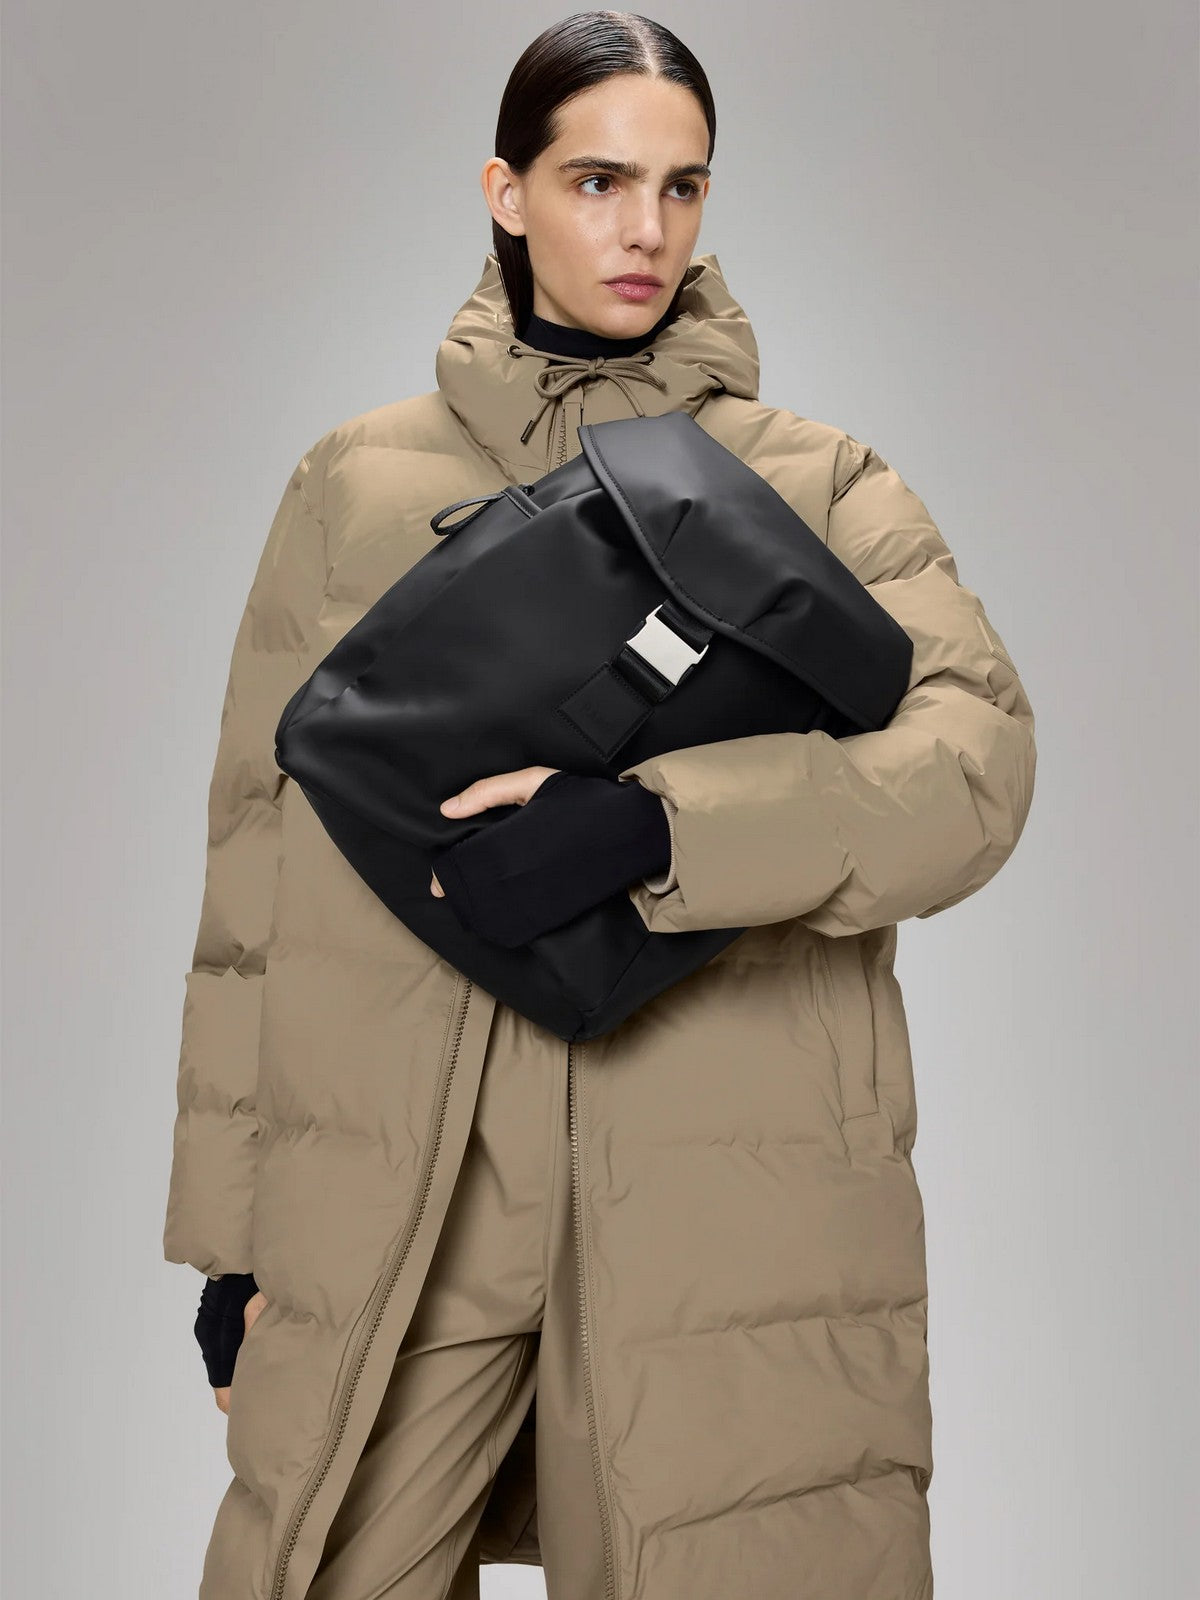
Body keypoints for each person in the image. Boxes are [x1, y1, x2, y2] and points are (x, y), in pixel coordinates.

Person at [164, 12, 1038, 1600]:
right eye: (598, 181)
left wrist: (663, 828)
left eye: (682, 187)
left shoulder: (818, 486)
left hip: (725, 1188)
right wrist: (231, 1245)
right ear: (505, 192)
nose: (645, 230)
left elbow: (978, 769)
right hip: (414, 1195)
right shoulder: (353, 485)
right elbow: (254, 883)